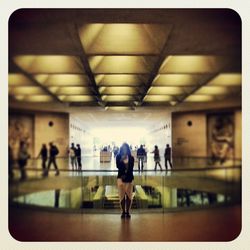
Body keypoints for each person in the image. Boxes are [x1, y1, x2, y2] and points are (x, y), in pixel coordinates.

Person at [116, 143, 134, 219]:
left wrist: (126, 175)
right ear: (121, 149)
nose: (124, 149)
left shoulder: (131, 157)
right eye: (123, 148)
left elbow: (131, 168)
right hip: (120, 179)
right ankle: (123, 211)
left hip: (129, 178)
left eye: (125, 148)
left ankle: (128, 211)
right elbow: (118, 166)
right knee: (122, 196)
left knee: (129, 196)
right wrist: (122, 159)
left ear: (127, 149)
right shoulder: (118, 156)